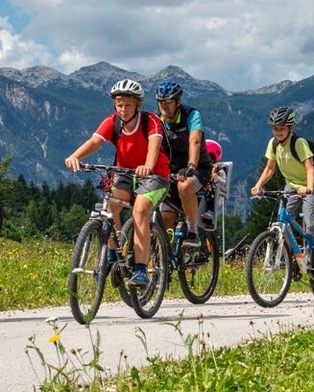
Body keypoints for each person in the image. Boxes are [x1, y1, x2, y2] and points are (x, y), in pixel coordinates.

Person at [64, 78, 171, 288]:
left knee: (140, 211)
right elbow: (95, 141)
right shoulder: (112, 122)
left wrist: (148, 166)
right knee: (112, 204)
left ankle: (141, 270)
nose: (123, 109)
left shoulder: (151, 121)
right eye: (119, 104)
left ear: (137, 105)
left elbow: (154, 146)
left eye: (128, 105)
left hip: (155, 175)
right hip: (124, 173)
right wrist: (75, 156)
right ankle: (113, 254)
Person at [249, 105, 314, 279]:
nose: (277, 132)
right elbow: (270, 169)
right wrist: (258, 186)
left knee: (313, 225)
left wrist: (308, 188)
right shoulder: (273, 144)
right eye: (274, 128)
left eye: (281, 128)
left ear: (290, 128)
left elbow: (310, 168)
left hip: (310, 186)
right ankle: (295, 258)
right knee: (283, 221)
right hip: (291, 185)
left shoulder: (299, 143)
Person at [153, 79, 216, 236]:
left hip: (198, 167)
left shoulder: (191, 115)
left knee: (185, 186)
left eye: (168, 101)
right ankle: (164, 257)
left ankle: (192, 231)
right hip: (171, 170)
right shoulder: (157, 120)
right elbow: (152, 146)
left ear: (177, 102)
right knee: (166, 220)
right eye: (161, 102)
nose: (164, 106)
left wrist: (191, 166)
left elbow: (194, 141)